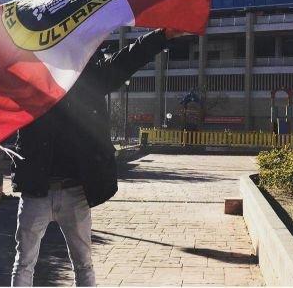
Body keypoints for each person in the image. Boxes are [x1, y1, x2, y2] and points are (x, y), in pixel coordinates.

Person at [10, 28, 182, 287]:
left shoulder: (90, 78)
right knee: (24, 261)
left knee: (83, 263)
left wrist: (161, 36)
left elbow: (127, 58)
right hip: (36, 190)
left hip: (75, 190)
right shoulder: (30, 81)